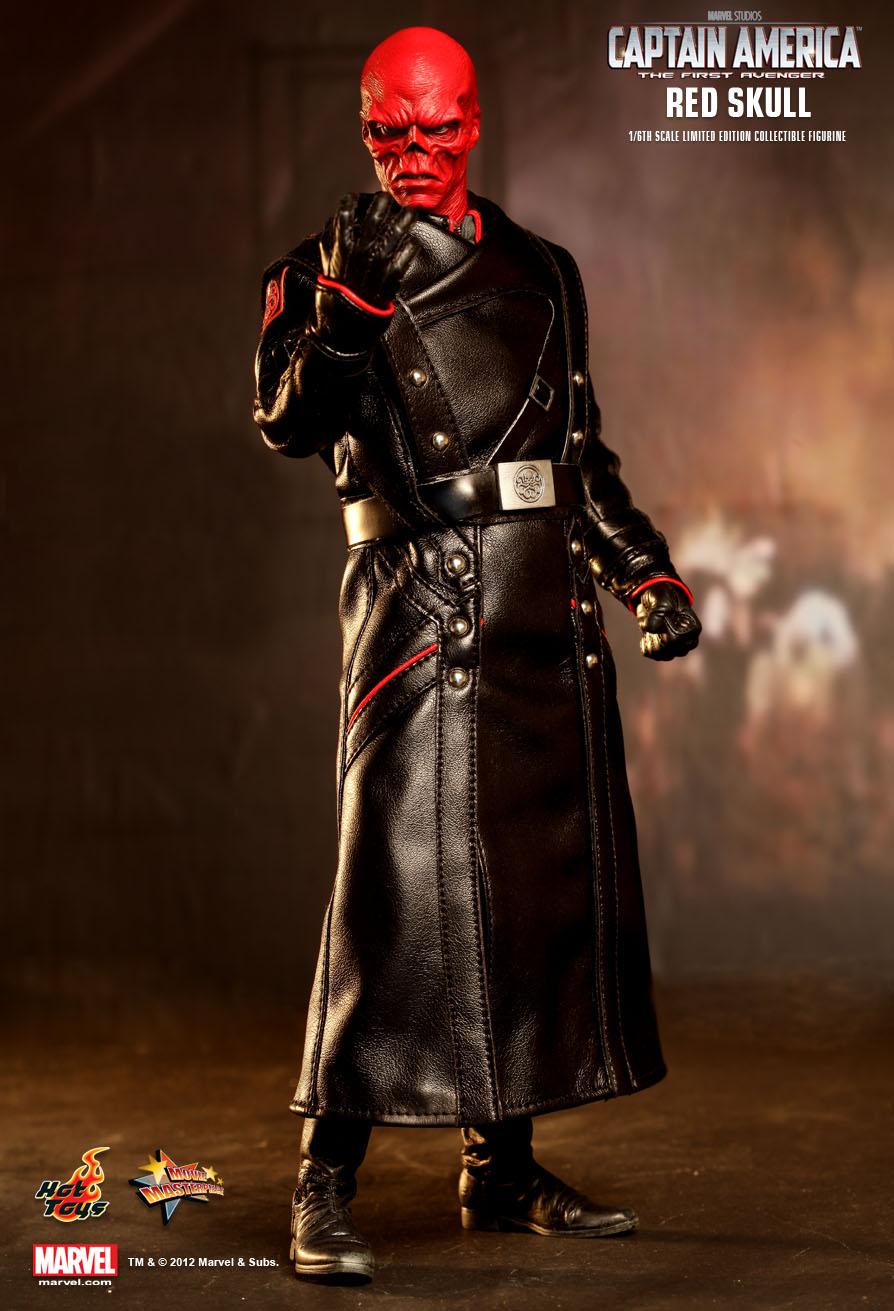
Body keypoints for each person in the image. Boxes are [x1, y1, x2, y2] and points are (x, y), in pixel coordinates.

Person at [252, 25, 701, 1284]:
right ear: (364, 128)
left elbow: (575, 452)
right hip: (416, 610)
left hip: (539, 616)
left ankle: (500, 1168)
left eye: (435, 127)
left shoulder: (546, 271)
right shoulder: (316, 268)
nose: (413, 151)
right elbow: (287, 421)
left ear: (474, 122)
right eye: (388, 130)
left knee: (529, 895)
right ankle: (323, 1182)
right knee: (391, 902)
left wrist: (644, 570)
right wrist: (347, 312)